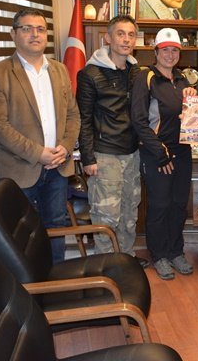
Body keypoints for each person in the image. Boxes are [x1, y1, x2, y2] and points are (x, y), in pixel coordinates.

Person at [0, 8, 81, 263]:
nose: (34, 34)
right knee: (22, 237)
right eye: (27, 29)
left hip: (58, 167)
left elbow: (73, 115)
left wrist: (65, 147)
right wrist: (38, 153)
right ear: (13, 34)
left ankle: (57, 277)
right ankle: (28, 285)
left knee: (56, 226)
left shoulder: (60, 70)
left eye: (40, 29)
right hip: (20, 170)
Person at [76, 15, 148, 268]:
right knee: (106, 216)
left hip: (132, 154)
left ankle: (126, 260)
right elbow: (83, 118)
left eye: (131, 34)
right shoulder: (90, 74)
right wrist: (88, 158)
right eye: (120, 33)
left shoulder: (137, 72)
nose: (126, 39)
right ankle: (105, 266)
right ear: (107, 38)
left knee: (129, 211)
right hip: (104, 155)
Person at [131, 28, 196, 280]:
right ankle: (159, 255)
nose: (170, 54)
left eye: (175, 50)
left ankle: (175, 251)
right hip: (156, 153)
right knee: (160, 205)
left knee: (178, 204)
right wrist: (161, 153)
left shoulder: (183, 80)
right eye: (165, 50)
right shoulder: (145, 77)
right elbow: (139, 121)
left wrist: (193, 98)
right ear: (156, 52)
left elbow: (192, 118)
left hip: (183, 152)